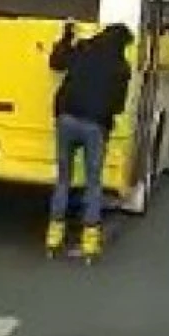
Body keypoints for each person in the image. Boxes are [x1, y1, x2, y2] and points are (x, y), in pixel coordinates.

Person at [45, 21, 133, 260]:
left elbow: (56, 63)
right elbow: (118, 106)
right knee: (93, 183)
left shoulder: (83, 48)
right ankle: (89, 242)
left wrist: (66, 38)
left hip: (67, 119)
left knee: (64, 179)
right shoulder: (122, 68)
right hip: (95, 126)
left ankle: (53, 238)